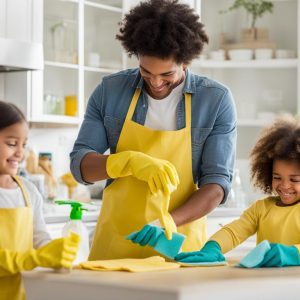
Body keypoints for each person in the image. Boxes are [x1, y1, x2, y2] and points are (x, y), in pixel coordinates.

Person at [70, 0, 236, 260]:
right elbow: (80, 166)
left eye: (167, 75)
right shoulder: (110, 92)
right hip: (116, 244)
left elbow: (216, 184)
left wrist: (166, 222)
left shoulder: (215, 100)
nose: (156, 83)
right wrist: (125, 162)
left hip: (177, 243)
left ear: (186, 62)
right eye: (146, 73)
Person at [175, 115, 300, 268]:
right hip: (265, 284)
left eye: (294, 180)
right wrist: (214, 248)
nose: (284, 185)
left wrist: (291, 254)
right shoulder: (261, 208)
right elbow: (234, 231)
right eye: (277, 177)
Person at [0, 101, 80, 300]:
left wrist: (55, 251)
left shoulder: (28, 191)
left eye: (24, 145)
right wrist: (30, 259)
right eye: (11, 143)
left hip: (21, 293)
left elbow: (40, 238)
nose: (20, 152)